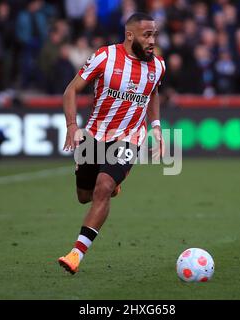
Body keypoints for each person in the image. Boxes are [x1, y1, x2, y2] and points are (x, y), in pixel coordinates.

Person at [58, 12, 166, 274]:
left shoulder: (158, 66)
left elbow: (152, 94)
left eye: (154, 34)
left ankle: (76, 253)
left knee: (103, 187)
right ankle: (110, 185)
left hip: (129, 138)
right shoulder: (105, 57)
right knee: (84, 196)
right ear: (130, 35)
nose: (152, 40)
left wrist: (156, 128)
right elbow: (71, 90)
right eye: (147, 35)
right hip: (94, 135)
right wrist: (72, 127)